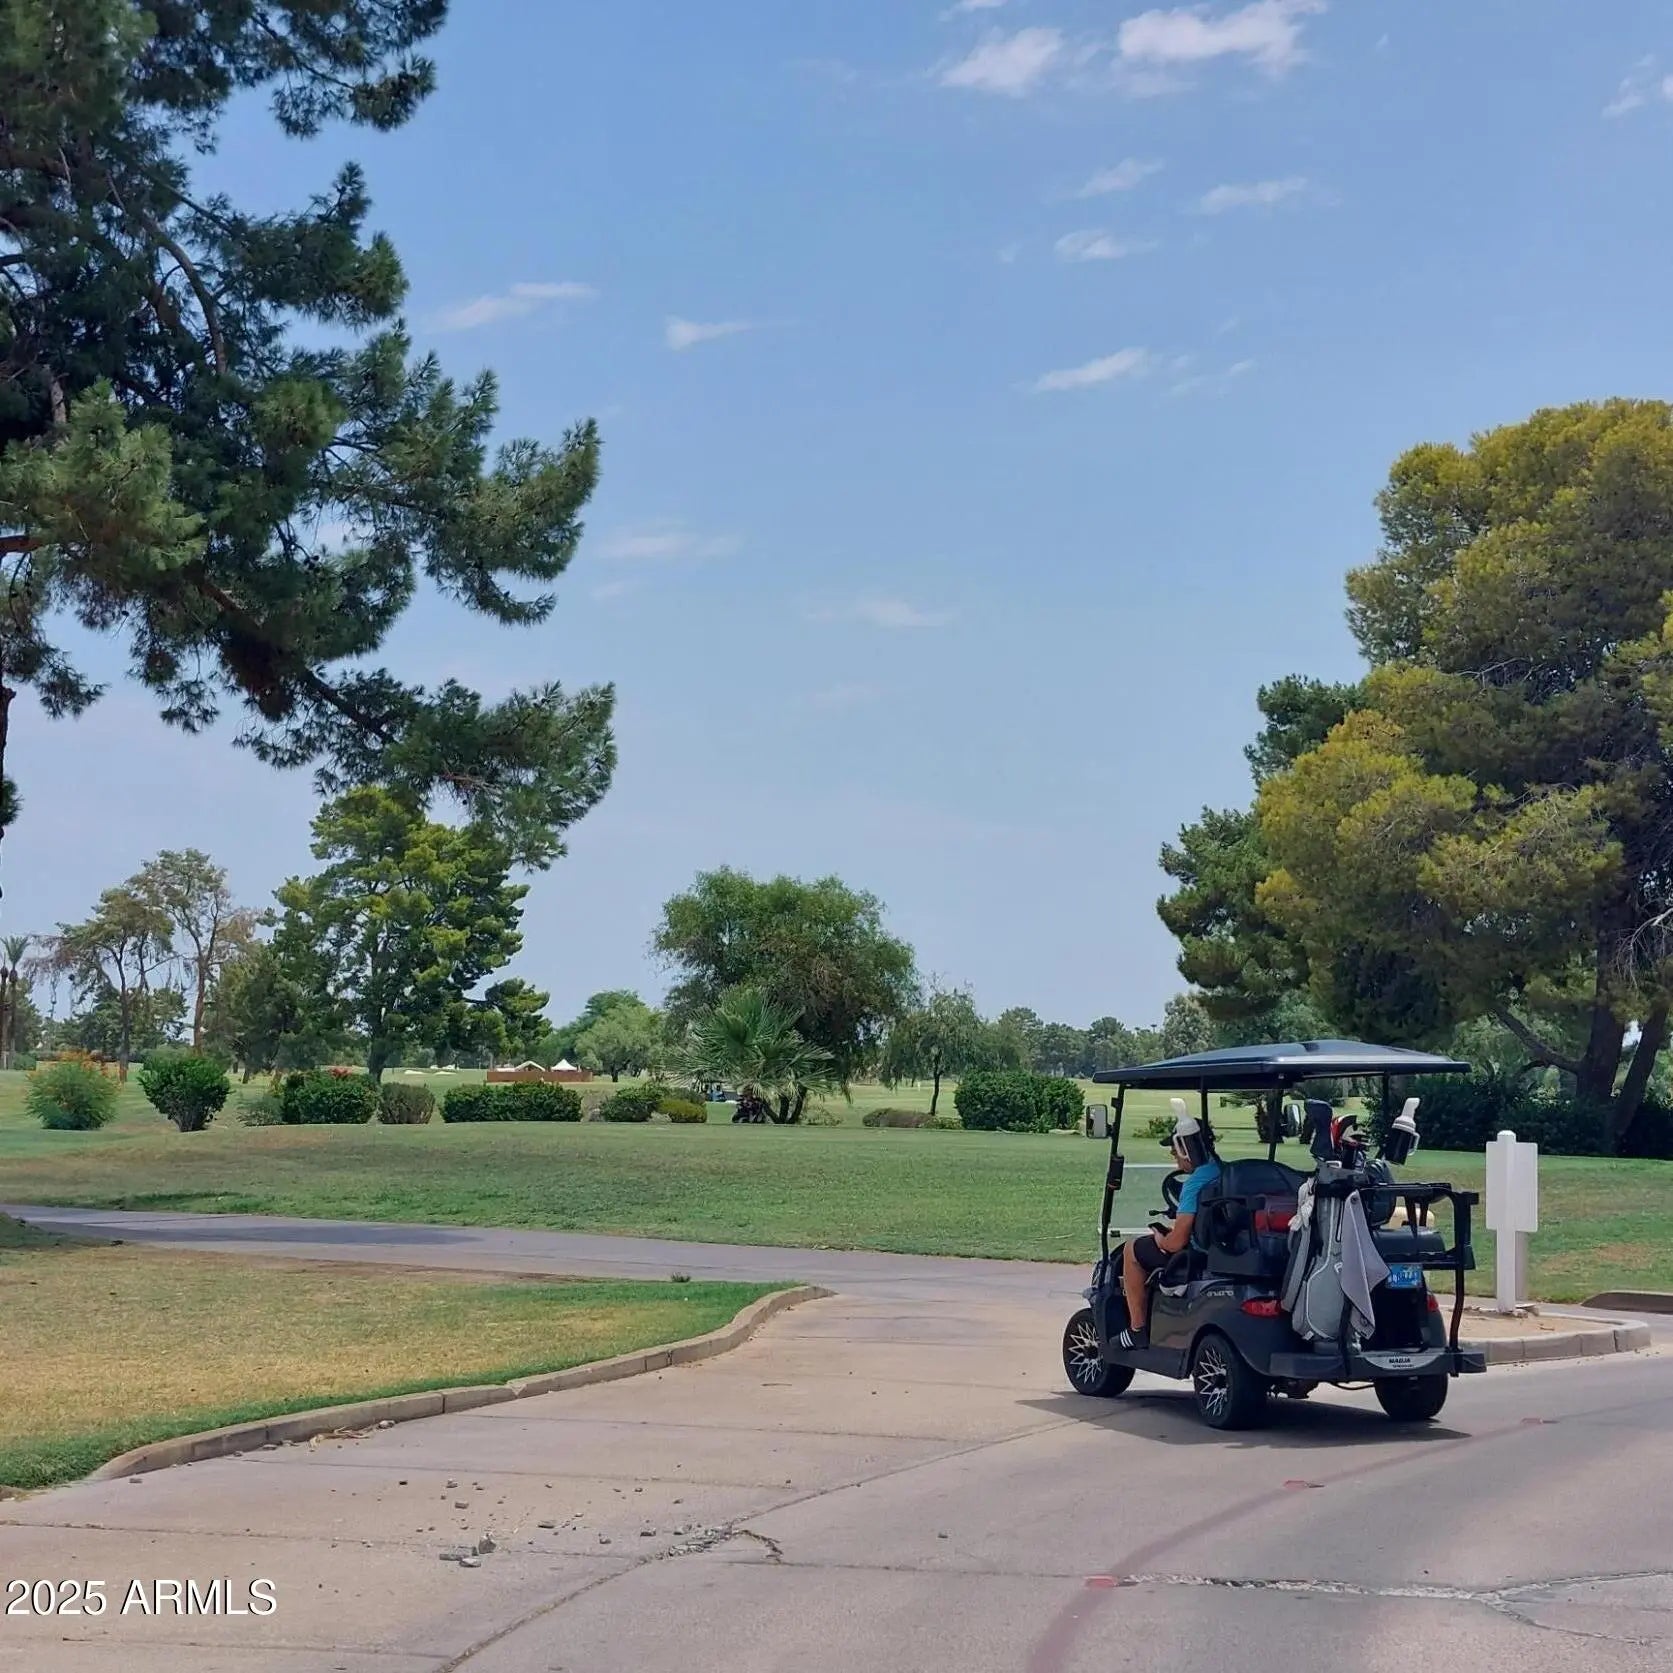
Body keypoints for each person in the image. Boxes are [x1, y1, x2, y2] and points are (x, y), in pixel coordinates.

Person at [1116, 1109, 1222, 1350]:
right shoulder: (1220, 1170)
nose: (1173, 1153)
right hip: (1216, 1247)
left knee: (1132, 1249)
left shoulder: (1195, 1183)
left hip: (1195, 1253)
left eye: (1175, 1148)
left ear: (1185, 1148)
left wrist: (1160, 1238)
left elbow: (1176, 1242)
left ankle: (1137, 1329)